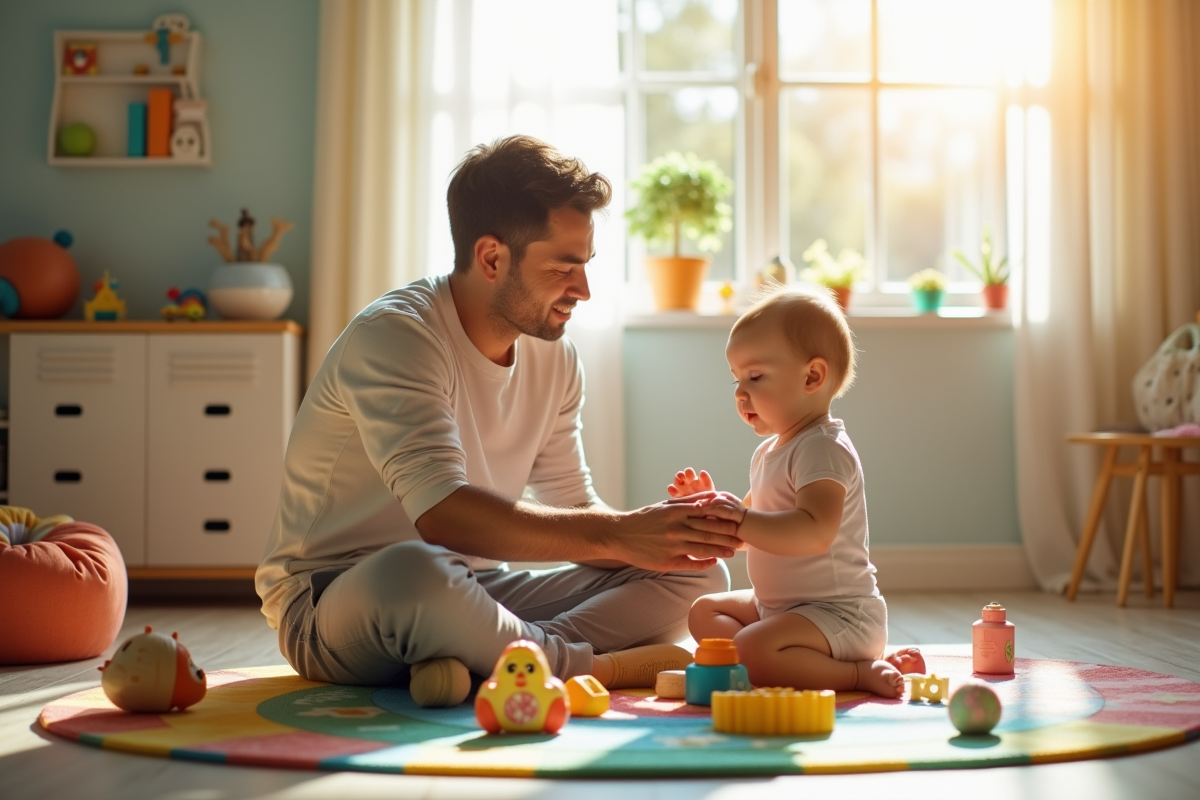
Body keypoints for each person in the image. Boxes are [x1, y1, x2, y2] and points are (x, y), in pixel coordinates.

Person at [256, 135, 744, 707]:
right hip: (335, 601)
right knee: (416, 571)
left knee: (697, 578)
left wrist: (659, 533)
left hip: (475, 590)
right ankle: (588, 668)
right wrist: (619, 534)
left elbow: (574, 508)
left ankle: (489, 656)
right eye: (564, 268)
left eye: (584, 267)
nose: (582, 290)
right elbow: (442, 516)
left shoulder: (555, 357)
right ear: (492, 257)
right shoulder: (397, 336)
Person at [668, 288, 922, 699]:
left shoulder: (823, 448)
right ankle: (777, 659)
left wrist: (742, 520)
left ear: (812, 377)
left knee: (748, 648)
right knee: (704, 612)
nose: (739, 393)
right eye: (736, 380)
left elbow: (813, 531)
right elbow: (753, 534)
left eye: (754, 377)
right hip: (781, 608)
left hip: (838, 615)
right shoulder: (770, 451)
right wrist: (713, 515)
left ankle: (856, 673)